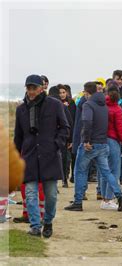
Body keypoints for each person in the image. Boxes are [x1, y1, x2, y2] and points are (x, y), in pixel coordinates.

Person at [14, 74, 70, 237]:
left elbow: (65, 127)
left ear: (41, 88)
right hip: (29, 157)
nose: (31, 91)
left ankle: (48, 221)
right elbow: (18, 136)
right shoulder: (21, 109)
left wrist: (56, 144)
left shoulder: (54, 105)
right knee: (30, 193)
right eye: (28, 88)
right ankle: (35, 225)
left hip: (49, 155)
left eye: (34, 88)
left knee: (51, 194)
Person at [65, 81, 122, 212]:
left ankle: (77, 202)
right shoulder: (104, 105)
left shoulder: (88, 104)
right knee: (106, 172)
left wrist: (86, 140)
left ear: (87, 93)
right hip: (103, 143)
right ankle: (120, 196)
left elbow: (87, 122)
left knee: (80, 171)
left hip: (90, 144)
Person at [100, 86, 122, 210]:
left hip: (101, 140)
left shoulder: (102, 106)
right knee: (114, 171)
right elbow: (120, 129)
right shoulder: (117, 109)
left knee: (103, 171)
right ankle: (108, 199)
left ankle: (104, 199)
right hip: (112, 141)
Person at [58, 84, 76, 188]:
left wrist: (71, 138)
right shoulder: (55, 104)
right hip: (57, 134)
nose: (62, 95)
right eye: (60, 93)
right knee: (60, 158)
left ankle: (67, 178)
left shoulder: (72, 103)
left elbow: (72, 120)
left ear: (67, 93)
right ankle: (62, 178)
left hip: (68, 133)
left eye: (63, 92)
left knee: (67, 158)